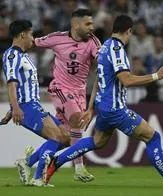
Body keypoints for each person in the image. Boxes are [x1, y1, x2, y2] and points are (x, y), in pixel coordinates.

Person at [44, 15, 163, 187]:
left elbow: (99, 80)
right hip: (115, 109)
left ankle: (55, 162)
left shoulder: (104, 47)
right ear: (129, 31)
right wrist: (156, 76)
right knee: (152, 137)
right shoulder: (117, 50)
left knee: (97, 142)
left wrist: (91, 107)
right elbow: (126, 80)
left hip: (103, 106)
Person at [18, 8, 100, 183]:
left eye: (92, 23)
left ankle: (27, 161)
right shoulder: (57, 38)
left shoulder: (93, 42)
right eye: (88, 24)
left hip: (79, 93)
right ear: (75, 24)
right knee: (77, 119)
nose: (92, 27)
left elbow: (102, 61)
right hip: (60, 89)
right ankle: (79, 168)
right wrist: (14, 53)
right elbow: (31, 43)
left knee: (63, 138)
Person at [2, 20, 73, 187]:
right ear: (22, 35)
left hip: (32, 105)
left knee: (66, 138)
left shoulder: (24, 56)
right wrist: (16, 108)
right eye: (31, 34)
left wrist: (11, 110)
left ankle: (27, 162)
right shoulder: (12, 55)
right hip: (26, 106)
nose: (33, 38)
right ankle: (39, 178)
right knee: (55, 137)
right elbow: (11, 83)